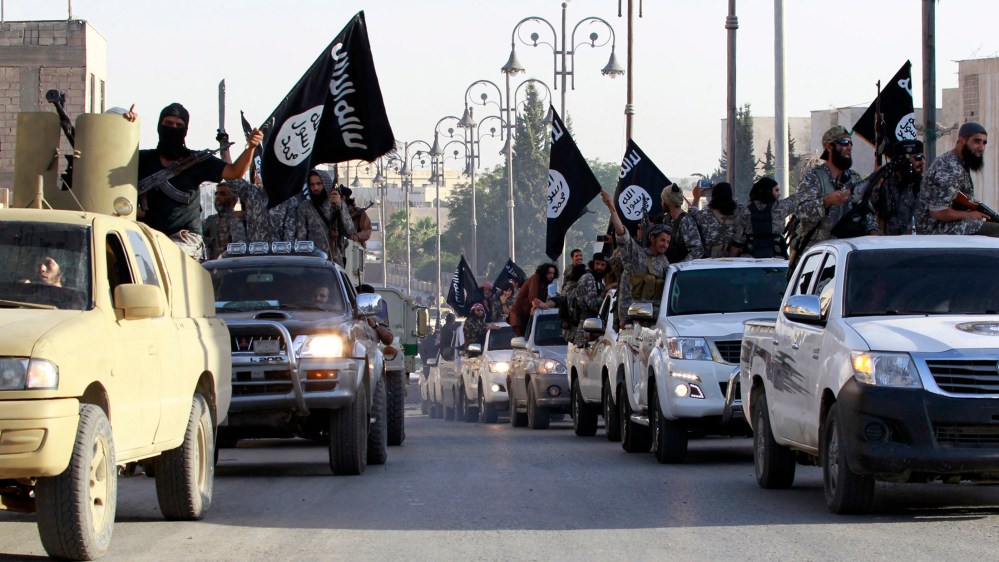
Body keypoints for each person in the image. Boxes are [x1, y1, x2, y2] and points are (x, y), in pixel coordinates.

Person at [127, 103, 263, 260]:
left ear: (185, 131)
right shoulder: (143, 159)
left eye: (179, 125)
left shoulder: (196, 161)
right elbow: (112, 157)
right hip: (149, 235)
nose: (173, 128)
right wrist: (126, 126)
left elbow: (234, 172)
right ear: (159, 126)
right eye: (168, 124)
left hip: (185, 238)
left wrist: (251, 147)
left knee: (165, 257)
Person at [791, 125, 879, 253]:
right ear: (829, 147)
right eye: (844, 143)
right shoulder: (814, 177)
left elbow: (866, 211)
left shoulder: (854, 179)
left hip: (847, 252)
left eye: (850, 143)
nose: (849, 147)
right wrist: (827, 201)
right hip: (818, 254)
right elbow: (801, 211)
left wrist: (874, 235)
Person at [915, 122, 999, 237]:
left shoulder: (959, 162)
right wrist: (969, 215)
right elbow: (938, 212)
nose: (981, 147)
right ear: (961, 140)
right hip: (934, 229)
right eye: (977, 141)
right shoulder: (950, 167)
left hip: (946, 225)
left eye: (984, 143)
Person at [601, 190, 671, 326]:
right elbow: (622, 233)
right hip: (633, 321)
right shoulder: (637, 256)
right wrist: (611, 207)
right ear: (652, 238)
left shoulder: (664, 261)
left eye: (668, 242)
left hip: (657, 322)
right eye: (662, 240)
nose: (665, 245)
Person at [296, 170, 356, 263]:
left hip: (335, 262)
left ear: (326, 184)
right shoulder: (305, 207)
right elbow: (301, 239)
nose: (315, 188)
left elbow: (350, 231)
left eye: (319, 184)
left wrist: (340, 207)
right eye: (312, 185)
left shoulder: (338, 205)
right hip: (312, 262)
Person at [868, 140, 926, 235]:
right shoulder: (884, 183)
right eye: (918, 158)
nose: (922, 162)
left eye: (923, 158)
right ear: (903, 160)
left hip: (915, 244)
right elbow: (870, 209)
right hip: (887, 244)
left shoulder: (924, 185)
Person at [223, 176, 299, 245]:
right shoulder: (252, 193)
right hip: (255, 255)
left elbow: (289, 236)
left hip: (279, 255)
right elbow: (231, 176)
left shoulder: (289, 200)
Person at [730, 177, 794, 258]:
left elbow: (737, 241)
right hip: (776, 261)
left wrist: (731, 261)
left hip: (749, 261)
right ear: (768, 192)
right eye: (776, 190)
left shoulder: (745, 212)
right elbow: (800, 198)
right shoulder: (781, 208)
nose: (779, 194)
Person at [569, 252, 608, 347]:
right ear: (592, 264)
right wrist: (604, 293)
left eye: (603, 265)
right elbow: (592, 304)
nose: (599, 267)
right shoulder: (589, 278)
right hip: (585, 331)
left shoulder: (598, 281)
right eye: (597, 264)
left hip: (591, 328)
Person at [690, 182, 739, 258]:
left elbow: (691, 215)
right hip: (730, 261)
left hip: (709, 262)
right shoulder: (738, 214)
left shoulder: (705, 215)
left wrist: (697, 196)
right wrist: (722, 189)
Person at [509, 263, 558, 337]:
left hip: (530, 315)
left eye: (553, 273)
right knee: (522, 338)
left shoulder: (545, 284)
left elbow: (542, 301)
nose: (552, 276)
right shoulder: (535, 278)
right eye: (549, 273)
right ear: (544, 272)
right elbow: (533, 298)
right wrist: (539, 305)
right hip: (519, 315)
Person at [203, 182, 247, 260]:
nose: (217, 197)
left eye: (222, 194)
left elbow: (239, 248)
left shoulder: (238, 220)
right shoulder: (210, 221)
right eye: (216, 194)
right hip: (212, 269)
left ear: (234, 200)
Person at [661, 183, 704, 262]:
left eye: (663, 200)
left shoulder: (686, 221)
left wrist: (681, 265)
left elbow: (697, 251)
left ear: (668, 202)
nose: (662, 202)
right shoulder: (667, 219)